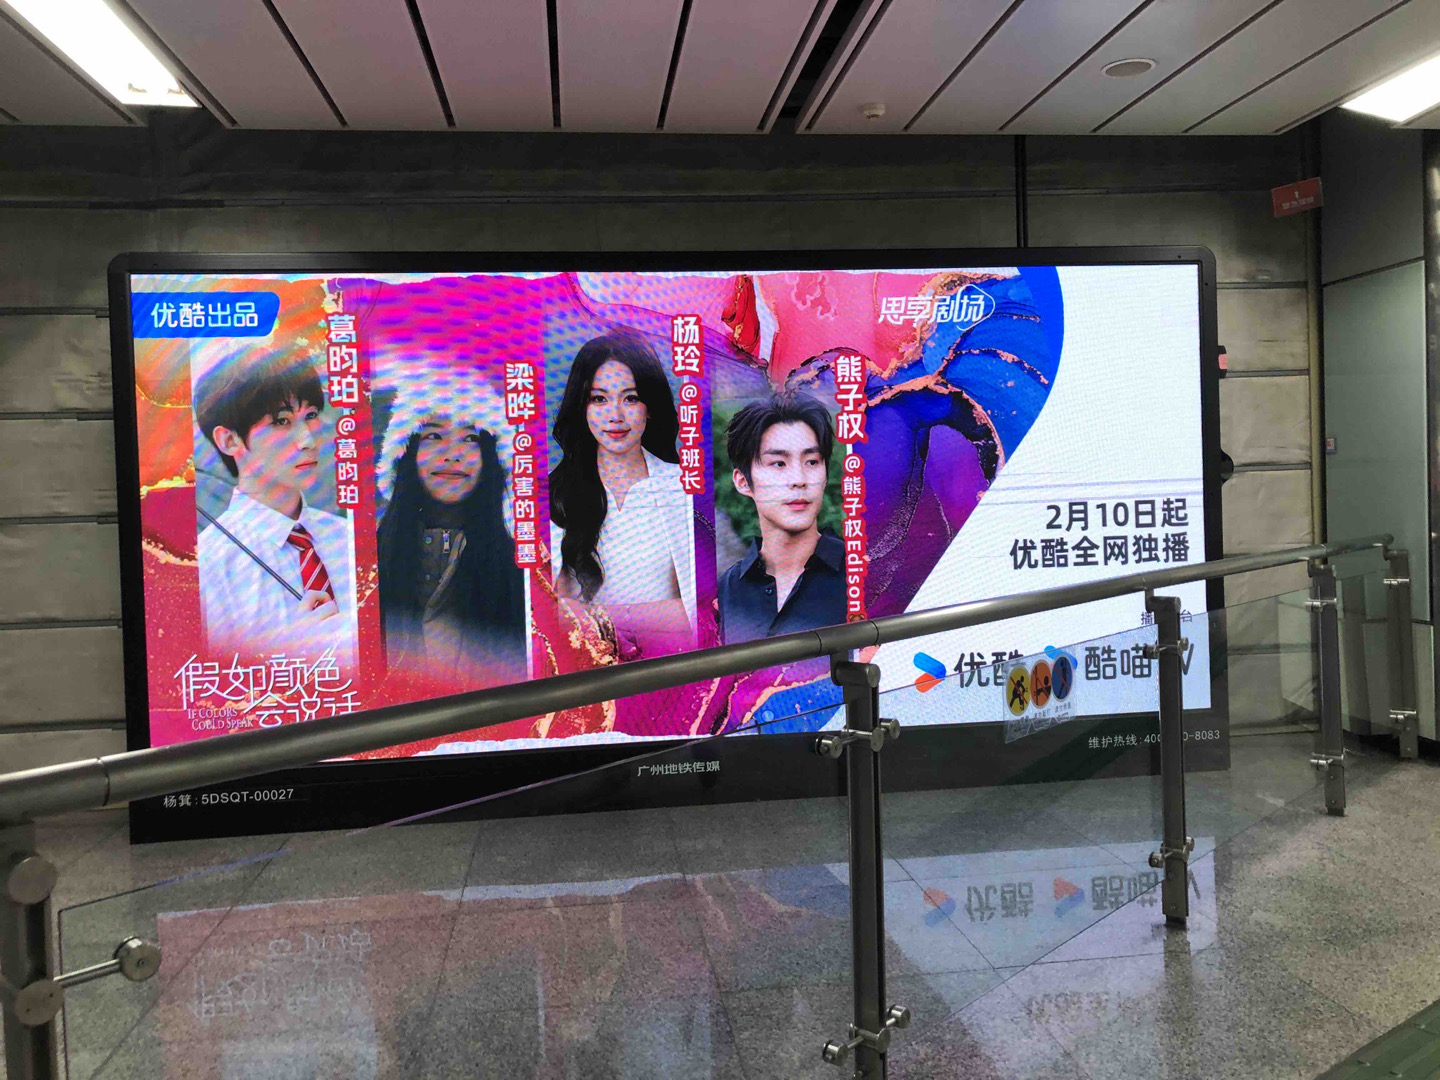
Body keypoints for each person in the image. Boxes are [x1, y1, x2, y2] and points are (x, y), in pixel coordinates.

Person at [193, 348, 356, 664]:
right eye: (282, 421)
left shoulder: (347, 537)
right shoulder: (210, 566)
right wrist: (289, 654)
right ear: (229, 440)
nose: (307, 440)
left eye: (311, 416)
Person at [549, 329, 695, 657]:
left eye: (630, 398)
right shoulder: (554, 494)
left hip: (670, 665)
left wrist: (602, 615)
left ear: (650, 406)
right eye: (599, 399)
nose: (615, 416)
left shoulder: (684, 487)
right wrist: (655, 614)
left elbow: (700, 609)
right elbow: (551, 614)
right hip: (585, 671)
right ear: (582, 407)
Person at [375, 376, 527, 683]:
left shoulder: (521, 566)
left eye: (470, 438)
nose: (453, 454)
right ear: (405, 452)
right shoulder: (370, 562)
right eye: (433, 435)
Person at [718, 392, 843, 644]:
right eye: (778, 464)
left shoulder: (863, 573)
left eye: (811, 462)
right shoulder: (725, 592)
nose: (799, 479)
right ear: (743, 482)